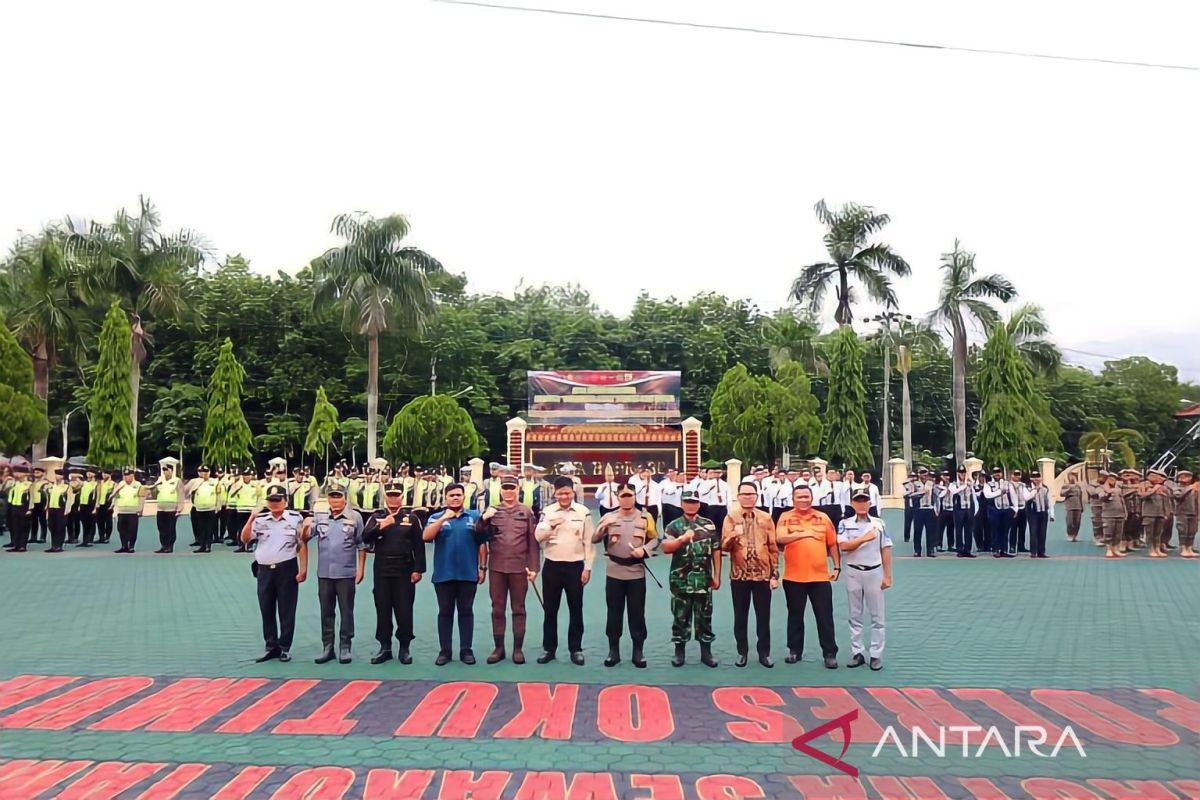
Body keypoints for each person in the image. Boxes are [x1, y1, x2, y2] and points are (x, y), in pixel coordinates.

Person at [594, 483, 660, 668]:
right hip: (614, 571)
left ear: (634, 496)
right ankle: (613, 650)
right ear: (617, 496)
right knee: (614, 613)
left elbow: (655, 539)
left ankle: (638, 651)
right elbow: (594, 539)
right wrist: (602, 528)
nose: (626, 499)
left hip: (636, 573)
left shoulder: (645, 517)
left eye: (629, 495)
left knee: (637, 613)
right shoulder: (609, 516)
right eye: (622, 496)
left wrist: (645, 550)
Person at [241, 483, 309, 662]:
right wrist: (251, 518)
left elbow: (301, 543)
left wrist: (303, 569)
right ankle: (271, 646)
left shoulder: (295, 519)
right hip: (264, 570)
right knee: (266, 609)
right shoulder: (261, 519)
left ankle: (285, 647)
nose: (274, 504)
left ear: (285, 501)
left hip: (286, 569)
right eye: (271, 500)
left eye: (278, 500)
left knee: (287, 609)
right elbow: (245, 539)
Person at [775, 485, 840, 669]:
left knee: (824, 617)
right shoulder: (785, 517)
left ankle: (830, 653)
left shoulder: (823, 518)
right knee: (795, 615)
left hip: (820, 577)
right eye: (799, 497)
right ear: (793, 499)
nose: (803, 500)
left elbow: (833, 545)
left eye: (806, 497)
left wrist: (837, 567)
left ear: (812, 498)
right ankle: (795, 651)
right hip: (794, 577)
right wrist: (804, 533)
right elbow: (780, 538)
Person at [476, 474, 539, 664]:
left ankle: (518, 649)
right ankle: (499, 648)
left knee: (518, 608)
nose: (509, 491)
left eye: (512, 487)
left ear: (518, 489)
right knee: (497, 608)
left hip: (519, 567)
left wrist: (534, 567)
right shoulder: (493, 511)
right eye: (506, 488)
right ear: (500, 490)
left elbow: (533, 542)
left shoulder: (526, 512)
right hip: (497, 567)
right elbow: (478, 535)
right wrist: (483, 519)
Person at [362, 482, 426, 665]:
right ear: (385, 497)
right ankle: (385, 647)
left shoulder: (411, 518)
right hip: (382, 569)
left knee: (404, 610)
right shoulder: (377, 516)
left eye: (396, 495)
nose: (393, 498)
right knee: (382, 609)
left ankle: (404, 647)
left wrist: (418, 570)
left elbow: (419, 546)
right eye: (389, 495)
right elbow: (365, 538)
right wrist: (381, 526)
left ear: (402, 497)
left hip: (404, 570)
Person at [534, 476, 595, 665]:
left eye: (567, 492)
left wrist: (588, 567)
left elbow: (589, 542)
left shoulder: (583, 512)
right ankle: (549, 649)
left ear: (573, 492)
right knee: (550, 610)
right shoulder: (548, 511)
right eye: (560, 493)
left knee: (576, 609)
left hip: (575, 566)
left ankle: (576, 649)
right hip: (552, 565)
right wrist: (551, 525)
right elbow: (538, 537)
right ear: (555, 493)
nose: (564, 496)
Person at [422, 484, 484, 665]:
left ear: (464, 497)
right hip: (444, 574)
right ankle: (445, 651)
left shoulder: (474, 516)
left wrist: (482, 568)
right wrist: (443, 519)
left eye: (458, 495)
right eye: (451, 495)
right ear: (445, 498)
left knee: (466, 612)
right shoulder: (436, 517)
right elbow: (426, 536)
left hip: (468, 573)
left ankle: (466, 650)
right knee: (445, 612)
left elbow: (482, 543)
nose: (455, 498)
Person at [304, 486, 365, 664]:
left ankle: (345, 646)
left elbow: (361, 545)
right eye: (332, 497)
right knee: (326, 611)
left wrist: (361, 569)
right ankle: (327, 646)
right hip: (324, 573)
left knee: (346, 610)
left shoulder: (355, 517)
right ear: (328, 500)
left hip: (346, 572)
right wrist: (306, 527)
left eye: (338, 497)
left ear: (345, 499)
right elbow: (306, 537)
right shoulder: (320, 517)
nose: (335, 501)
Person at [722, 480, 779, 668]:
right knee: (740, 616)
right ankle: (742, 652)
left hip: (762, 575)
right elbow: (724, 546)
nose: (747, 497)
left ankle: (764, 653)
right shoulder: (731, 517)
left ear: (757, 496)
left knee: (763, 616)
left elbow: (772, 547)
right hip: (739, 576)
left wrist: (774, 574)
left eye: (751, 494)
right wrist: (732, 536)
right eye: (743, 494)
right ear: (738, 497)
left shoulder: (766, 518)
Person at [661, 489, 721, 668]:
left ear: (699, 504)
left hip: (704, 579)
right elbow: (666, 548)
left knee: (705, 616)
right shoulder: (674, 526)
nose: (691, 505)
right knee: (680, 617)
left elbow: (716, 550)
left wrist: (717, 575)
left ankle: (706, 652)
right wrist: (682, 540)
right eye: (687, 502)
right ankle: (679, 652)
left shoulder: (708, 525)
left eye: (694, 502)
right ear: (681, 504)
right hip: (681, 580)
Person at [837, 490, 893, 671]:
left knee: (878, 616)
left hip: (874, 572)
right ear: (852, 504)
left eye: (865, 501)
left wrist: (887, 575)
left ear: (870, 503)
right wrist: (864, 538)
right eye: (858, 501)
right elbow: (844, 546)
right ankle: (857, 652)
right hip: (853, 571)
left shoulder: (879, 524)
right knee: (855, 615)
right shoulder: (845, 524)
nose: (861, 504)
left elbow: (886, 549)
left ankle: (876, 654)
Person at [983, 467, 1018, 558]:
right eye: (995, 472)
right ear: (992, 474)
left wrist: (1015, 508)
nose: (997, 474)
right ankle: (996, 549)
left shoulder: (1007, 484)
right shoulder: (988, 484)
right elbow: (988, 495)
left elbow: (1013, 496)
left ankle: (1004, 550)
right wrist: (999, 492)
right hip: (994, 509)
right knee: (995, 530)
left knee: (1005, 530)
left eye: (998, 472)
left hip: (1006, 509)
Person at [185, 465, 220, 553]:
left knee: (209, 528)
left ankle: (208, 546)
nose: (204, 473)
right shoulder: (195, 482)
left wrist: (218, 506)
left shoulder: (214, 481)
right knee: (201, 527)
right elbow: (187, 491)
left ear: (209, 472)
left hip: (210, 508)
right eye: (202, 471)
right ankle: (202, 545)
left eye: (206, 471)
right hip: (199, 508)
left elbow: (218, 494)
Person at [1138, 469, 1171, 558]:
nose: (1155, 477)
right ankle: (1151, 549)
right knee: (1150, 533)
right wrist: (1153, 490)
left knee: (1158, 533)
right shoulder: (1143, 485)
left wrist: (1166, 512)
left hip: (1160, 513)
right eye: (1152, 475)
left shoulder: (1162, 487)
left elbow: (1166, 501)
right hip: (1149, 513)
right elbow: (1142, 496)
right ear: (1147, 476)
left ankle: (1157, 548)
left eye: (1156, 476)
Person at [152, 460, 183, 554]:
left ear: (171, 471)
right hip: (161, 508)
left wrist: (180, 507)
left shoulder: (176, 481)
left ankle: (170, 546)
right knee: (161, 528)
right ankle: (163, 545)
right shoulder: (160, 480)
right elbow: (153, 489)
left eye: (167, 470)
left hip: (171, 509)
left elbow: (181, 494)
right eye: (163, 470)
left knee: (170, 528)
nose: (165, 472)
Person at [946, 466, 977, 558]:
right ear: (958, 473)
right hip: (959, 509)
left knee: (969, 530)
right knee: (958, 530)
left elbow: (974, 495)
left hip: (968, 508)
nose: (962, 474)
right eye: (960, 472)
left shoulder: (969, 483)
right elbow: (954, 492)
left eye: (963, 472)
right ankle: (960, 549)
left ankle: (968, 550)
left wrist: (975, 508)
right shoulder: (954, 484)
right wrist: (963, 486)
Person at [1022, 473, 1054, 559]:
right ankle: (1033, 552)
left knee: (1042, 532)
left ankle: (1041, 551)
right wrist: (1034, 489)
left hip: (1043, 512)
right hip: (1032, 512)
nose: (1036, 479)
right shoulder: (1027, 487)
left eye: (1038, 477)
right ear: (1031, 478)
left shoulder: (1045, 488)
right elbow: (1026, 497)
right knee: (1033, 531)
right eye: (1034, 477)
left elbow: (1049, 500)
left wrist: (1052, 513)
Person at [113, 467, 144, 554]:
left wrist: (141, 509)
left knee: (132, 529)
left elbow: (142, 497)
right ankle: (124, 546)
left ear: (132, 475)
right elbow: (115, 496)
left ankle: (131, 546)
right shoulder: (121, 484)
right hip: (122, 511)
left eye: (128, 475)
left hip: (133, 511)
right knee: (121, 529)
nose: (126, 477)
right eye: (125, 475)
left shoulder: (138, 485)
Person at [231, 467, 261, 553]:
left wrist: (257, 508)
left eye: (248, 475)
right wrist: (237, 488)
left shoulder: (256, 484)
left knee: (251, 528)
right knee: (241, 528)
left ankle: (250, 545)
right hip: (241, 509)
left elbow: (259, 496)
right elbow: (232, 495)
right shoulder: (238, 484)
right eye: (245, 475)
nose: (246, 477)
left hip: (251, 509)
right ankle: (241, 545)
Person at [1098, 472, 1127, 559]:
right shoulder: (1101, 489)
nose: (1112, 481)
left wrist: (1125, 513)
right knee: (1109, 533)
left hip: (1119, 514)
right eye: (1110, 479)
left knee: (1118, 533)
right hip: (1108, 515)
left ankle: (1116, 549)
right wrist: (1108, 492)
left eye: (1114, 479)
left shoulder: (1118, 490)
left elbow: (1123, 502)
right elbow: (1102, 498)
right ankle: (1109, 549)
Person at [5, 463, 33, 552]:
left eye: (19, 472)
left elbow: (32, 497)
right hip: (14, 506)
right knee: (15, 526)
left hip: (24, 507)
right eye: (15, 472)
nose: (16, 474)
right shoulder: (14, 484)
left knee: (24, 526)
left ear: (25, 474)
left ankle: (22, 545)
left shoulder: (29, 484)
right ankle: (16, 545)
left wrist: (30, 509)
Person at [43, 468, 72, 553]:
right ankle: (53, 545)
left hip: (61, 509)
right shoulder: (51, 486)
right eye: (56, 474)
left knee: (60, 527)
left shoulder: (66, 487)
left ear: (63, 476)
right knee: (52, 527)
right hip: (52, 508)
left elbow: (70, 499)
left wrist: (67, 510)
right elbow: (48, 497)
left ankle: (59, 545)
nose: (57, 476)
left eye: (59, 474)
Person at [1172, 470, 1198, 558]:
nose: (1185, 478)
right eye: (1182, 476)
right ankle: (1183, 548)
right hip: (1182, 512)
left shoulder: (1195, 489)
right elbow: (1178, 496)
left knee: (1192, 531)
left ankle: (1189, 547)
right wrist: (1190, 488)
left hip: (1194, 512)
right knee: (1183, 530)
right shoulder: (1176, 488)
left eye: (1188, 476)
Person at [913, 468, 937, 557]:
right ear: (918, 474)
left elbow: (935, 495)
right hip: (919, 509)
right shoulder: (915, 484)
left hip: (929, 508)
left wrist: (936, 508)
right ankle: (917, 550)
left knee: (930, 531)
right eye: (922, 473)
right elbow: (910, 495)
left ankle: (930, 550)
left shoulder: (931, 483)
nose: (924, 475)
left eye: (925, 473)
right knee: (918, 530)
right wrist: (920, 494)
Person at [75, 468, 98, 548]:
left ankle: (89, 539)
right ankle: (85, 540)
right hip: (83, 504)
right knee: (84, 523)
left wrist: (95, 507)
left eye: (91, 472)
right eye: (88, 472)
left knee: (91, 523)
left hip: (91, 505)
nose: (88, 473)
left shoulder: (96, 484)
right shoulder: (84, 483)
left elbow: (97, 496)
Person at [1008, 470, 1029, 553]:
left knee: (1022, 528)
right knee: (1013, 528)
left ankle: (1021, 546)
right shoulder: (1008, 485)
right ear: (1012, 475)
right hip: (1013, 509)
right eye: (1015, 474)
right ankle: (1012, 546)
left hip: (1023, 508)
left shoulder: (1023, 485)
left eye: (1018, 474)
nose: (1017, 476)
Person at [1061, 473, 1085, 542]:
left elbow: (1080, 496)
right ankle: (1070, 534)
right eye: (1070, 476)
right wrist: (1069, 488)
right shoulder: (1065, 485)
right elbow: (1062, 494)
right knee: (1070, 522)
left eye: (1073, 476)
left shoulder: (1078, 486)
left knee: (1077, 522)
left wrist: (1081, 506)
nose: (1072, 478)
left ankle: (1075, 535)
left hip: (1078, 505)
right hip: (1069, 506)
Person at [1087, 470, 1108, 546]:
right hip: (1096, 504)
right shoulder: (1092, 483)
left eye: (1105, 477)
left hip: (1106, 505)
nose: (1104, 479)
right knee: (1097, 521)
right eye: (1102, 477)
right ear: (1099, 476)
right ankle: (1098, 537)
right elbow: (1092, 493)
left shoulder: (1107, 483)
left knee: (1106, 521)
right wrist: (1101, 490)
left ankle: (1104, 537)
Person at [29, 466, 47, 544]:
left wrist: (47, 505)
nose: (36, 474)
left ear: (43, 473)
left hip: (42, 504)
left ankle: (43, 537)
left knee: (42, 521)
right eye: (35, 472)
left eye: (38, 472)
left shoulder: (46, 483)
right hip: (34, 503)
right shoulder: (32, 484)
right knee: (33, 521)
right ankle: (33, 537)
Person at [901, 471, 920, 544]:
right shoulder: (905, 485)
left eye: (914, 476)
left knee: (917, 523)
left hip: (916, 506)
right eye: (912, 476)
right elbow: (903, 494)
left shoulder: (918, 484)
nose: (913, 478)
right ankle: (906, 537)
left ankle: (916, 537)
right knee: (907, 522)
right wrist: (910, 492)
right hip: (908, 506)